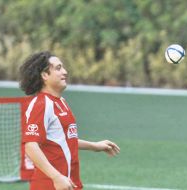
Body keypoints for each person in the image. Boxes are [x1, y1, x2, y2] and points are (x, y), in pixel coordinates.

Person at [19, 51, 120, 190]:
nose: (65, 72)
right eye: (58, 68)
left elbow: (63, 140)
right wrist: (56, 177)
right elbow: (31, 146)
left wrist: (95, 146)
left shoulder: (61, 102)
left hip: (69, 182)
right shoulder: (41, 104)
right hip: (49, 185)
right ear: (44, 75)